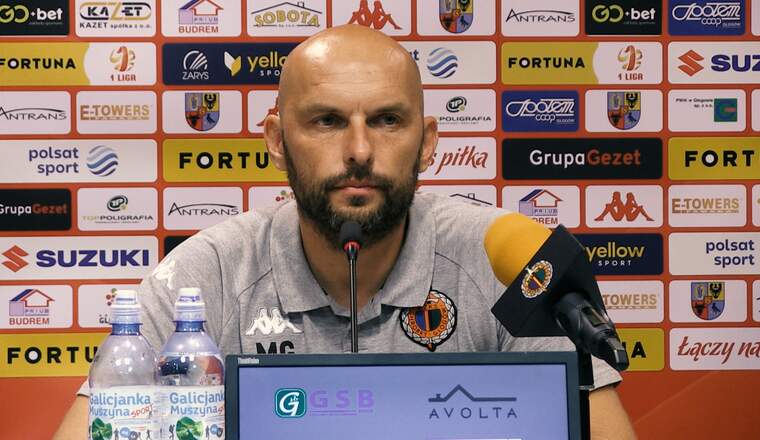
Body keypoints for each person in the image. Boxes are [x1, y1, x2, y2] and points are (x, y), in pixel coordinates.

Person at [54, 25, 637, 439]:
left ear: (427, 142)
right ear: (277, 140)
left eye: (387, 120)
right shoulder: (208, 274)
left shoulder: (501, 258)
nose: (359, 150)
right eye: (328, 121)